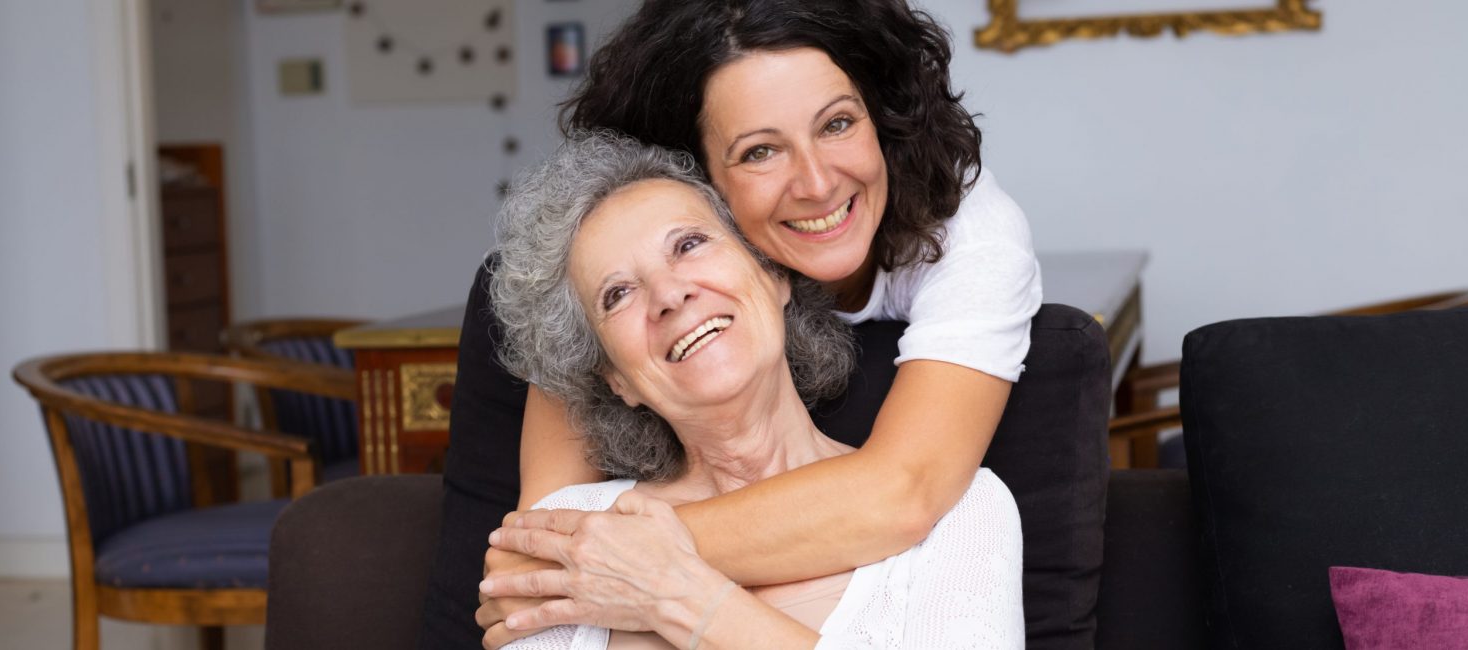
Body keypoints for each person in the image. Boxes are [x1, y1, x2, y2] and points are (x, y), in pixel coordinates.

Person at [418, 1, 1043, 646]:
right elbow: (537, 561)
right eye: (760, 151)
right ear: (702, 176)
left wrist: (656, 577)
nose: (817, 183)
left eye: (837, 123)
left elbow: (906, 491)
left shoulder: (973, 240)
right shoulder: (601, 341)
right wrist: (574, 556)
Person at [486, 131, 1023, 649]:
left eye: (690, 244)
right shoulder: (568, 534)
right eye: (618, 294)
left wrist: (679, 598)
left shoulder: (959, 511)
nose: (669, 294)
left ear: (774, 275)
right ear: (616, 379)